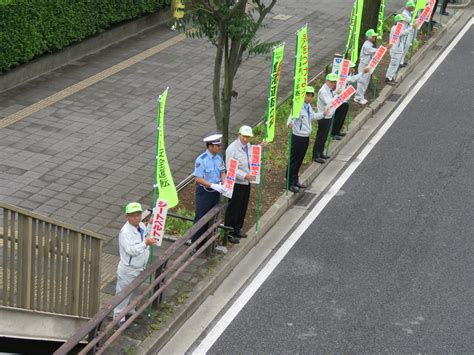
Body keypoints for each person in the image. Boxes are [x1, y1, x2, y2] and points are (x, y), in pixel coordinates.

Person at [113, 202, 157, 325]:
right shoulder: (125, 232)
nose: (137, 217)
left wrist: (150, 225)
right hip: (129, 269)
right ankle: (118, 316)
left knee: (135, 291)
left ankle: (130, 310)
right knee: (123, 293)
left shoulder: (141, 225)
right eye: (133, 215)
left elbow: (145, 236)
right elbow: (131, 250)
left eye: (138, 214)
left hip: (140, 267)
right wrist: (145, 244)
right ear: (127, 217)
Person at [287, 86, 327, 193]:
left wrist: (323, 114)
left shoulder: (308, 106)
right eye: (307, 95)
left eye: (311, 96)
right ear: (303, 95)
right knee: (295, 160)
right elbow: (290, 118)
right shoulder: (298, 106)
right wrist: (289, 124)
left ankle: (295, 181)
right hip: (298, 137)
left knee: (299, 160)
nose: (309, 98)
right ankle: (290, 183)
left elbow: (312, 116)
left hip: (305, 137)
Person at [191, 134, 227, 251]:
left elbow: (222, 171)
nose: (219, 148)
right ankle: (195, 244)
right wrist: (212, 185)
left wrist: (223, 182)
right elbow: (198, 178)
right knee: (201, 217)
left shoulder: (218, 158)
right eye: (217, 146)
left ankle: (208, 243)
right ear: (210, 146)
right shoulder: (201, 160)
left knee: (213, 217)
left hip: (215, 191)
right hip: (204, 192)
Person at [224, 125, 255, 243]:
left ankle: (237, 228)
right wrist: (244, 175)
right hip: (236, 182)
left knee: (243, 205)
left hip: (247, 181)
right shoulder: (232, 149)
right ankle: (229, 232)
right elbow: (230, 168)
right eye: (244, 136)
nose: (246, 139)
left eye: (248, 137)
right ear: (239, 135)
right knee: (234, 207)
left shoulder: (249, 146)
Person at [332, 63, 371, 141]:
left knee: (342, 117)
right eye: (351, 68)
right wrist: (363, 72)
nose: (353, 69)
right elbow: (353, 79)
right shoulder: (342, 76)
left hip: (345, 100)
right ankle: (334, 133)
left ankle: (338, 131)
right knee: (338, 118)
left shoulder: (347, 75)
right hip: (340, 101)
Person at [313, 73, 338, 164]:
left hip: (328, 116)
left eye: (334, 82)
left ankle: (320, 153)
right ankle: (316, 155)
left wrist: (335, 93)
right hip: (323, 117)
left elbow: (331, 97)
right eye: (331, 82)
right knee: (321, 136)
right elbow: (329, 102)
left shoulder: (329, 89)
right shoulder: (323, 91)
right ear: (326, 81)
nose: (333, 83)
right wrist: (337, 95)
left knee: (324, 136)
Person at [354, 29, 378, 105]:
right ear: (369, 37)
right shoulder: (367, 45)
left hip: (367, 66)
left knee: (365, 82)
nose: (375, 37)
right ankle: (358, 98)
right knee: (362, 81)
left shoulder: (370, 44)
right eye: (373, 36)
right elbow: (375, 51)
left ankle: (361, 96)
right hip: (363, 66)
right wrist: (382, 49)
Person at [386, 14, 412, 85]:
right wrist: (411, 28)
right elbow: (403, 33)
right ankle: (389, 78)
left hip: (398, 49)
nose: (402, 22)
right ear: (397, 21)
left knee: (396, 64)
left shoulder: (398, 28)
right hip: (395, 50)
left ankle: (391, 77)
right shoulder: (395, 28)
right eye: (401, 21)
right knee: (393, 64)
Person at [400, 1, 416, 67]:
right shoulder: (404, 13)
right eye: (411, 7)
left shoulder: (410, 12)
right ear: (408, 7)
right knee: (404, 46)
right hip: (404, 32)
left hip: (408, 31)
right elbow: (411, 20)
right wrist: (415, 17)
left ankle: (402, 61)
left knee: (406, 47)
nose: (413, 8)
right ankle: (400, 62)